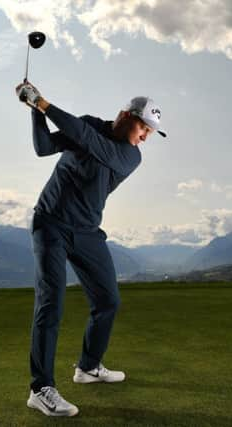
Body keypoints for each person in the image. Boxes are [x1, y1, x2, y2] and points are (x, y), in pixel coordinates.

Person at [15, 81, 166, 417]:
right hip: (51, 223)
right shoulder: (88, 125)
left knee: (108, 300)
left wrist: (43, 104)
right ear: (126, 116)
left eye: (151, 132)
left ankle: (87, 367)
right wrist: (34, 111)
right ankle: (40, 389)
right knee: (51, 304)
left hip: (86, 232)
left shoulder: (129, 156)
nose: (146, 137)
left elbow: (89, 142)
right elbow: (43, 148)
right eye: (144, 127)